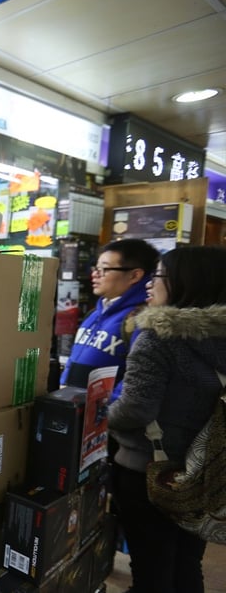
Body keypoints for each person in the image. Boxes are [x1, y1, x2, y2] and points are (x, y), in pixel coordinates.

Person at [108, 245, 226, 593]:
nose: (149, 284)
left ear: (186, 282)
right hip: (204, 470)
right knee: (187, 561)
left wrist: (100, 417)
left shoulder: (158, 335)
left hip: (149, 471)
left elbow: (136, 410)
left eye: (158, 275)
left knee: (150, 566)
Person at [60, 238, 159, 395]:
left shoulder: (143, 319)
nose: (94, 275)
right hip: (73, 403)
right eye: (95, 268)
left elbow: (138, 380)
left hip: (105, 409)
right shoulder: (94, 314)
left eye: (104, 269)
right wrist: (63, 387)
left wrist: (106, 406)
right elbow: (73, 361)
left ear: (134, 275)